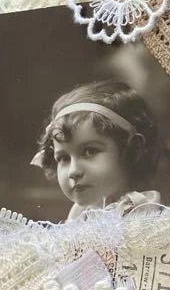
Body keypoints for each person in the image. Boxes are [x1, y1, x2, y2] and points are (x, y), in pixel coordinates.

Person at [31, 80, 161, 221]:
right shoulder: (79, 214)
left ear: (131, 150)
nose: (73, 172)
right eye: (63, 158)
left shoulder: (140, 209)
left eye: (90, 151)